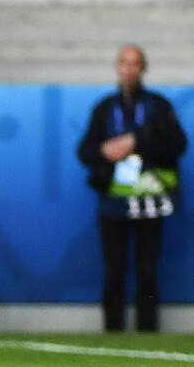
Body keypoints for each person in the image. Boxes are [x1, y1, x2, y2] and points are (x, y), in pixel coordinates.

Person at [77, 45, 187, 332]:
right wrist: (105, 149)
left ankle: (147, 330)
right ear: (117, 67)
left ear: (143, 68)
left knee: (147, 269)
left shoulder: (158, 107)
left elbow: (177, 146)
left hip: (150, 200)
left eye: (134, 63)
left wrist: (136, 141)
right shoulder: (104, 109)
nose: (128, 69)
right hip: (113, 202)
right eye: (123, 63)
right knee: (114, 269)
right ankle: (113, 330)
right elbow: (85, 151)